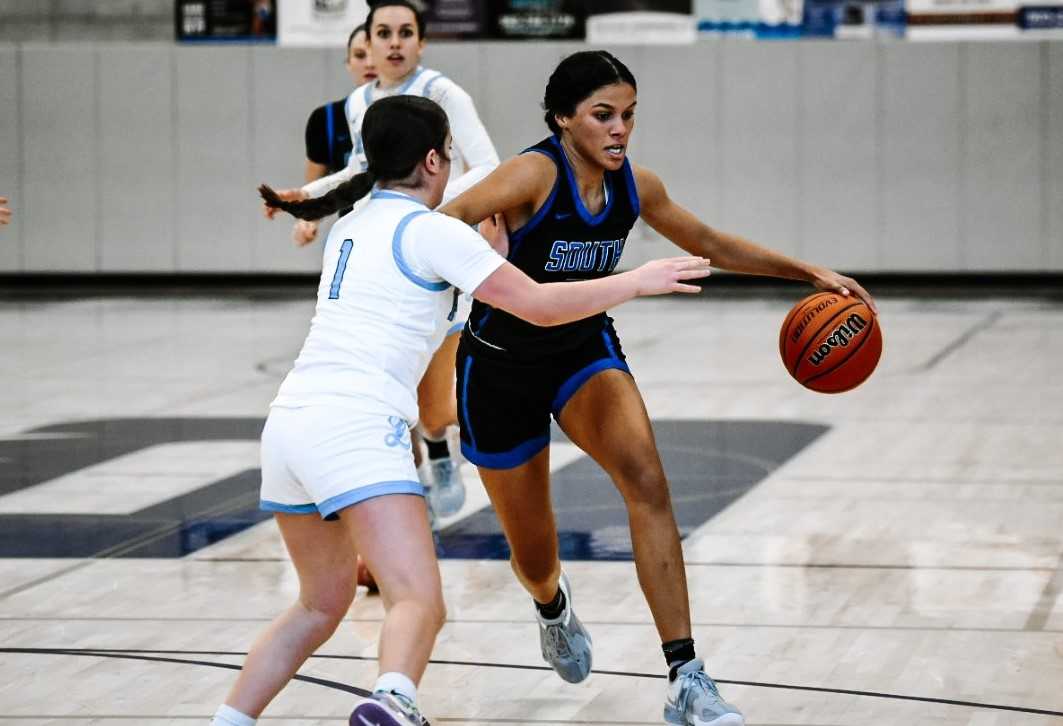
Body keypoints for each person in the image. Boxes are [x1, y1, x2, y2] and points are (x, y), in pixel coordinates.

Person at [265, 50, 876, 726]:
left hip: (582, 353)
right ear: (563, 119)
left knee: (647, 482)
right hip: (498, 368)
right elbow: (437, 222)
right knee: (535, 555)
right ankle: (551, 603)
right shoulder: (530, 174)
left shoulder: (633, 186)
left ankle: (686, 677)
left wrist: (807, 272)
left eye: (628, 116)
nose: (619, 130)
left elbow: (707, 241)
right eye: (603, 116)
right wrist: (476, 244)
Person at [220, 94, 712, 726]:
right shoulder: (435, 232)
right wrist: (635, 280)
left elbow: (428, 297)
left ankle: (229, 719)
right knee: (419, 602)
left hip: (288, 427)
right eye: (449, 152)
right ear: (433, 159)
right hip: (355, 428)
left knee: (319, 605)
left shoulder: (349, 227)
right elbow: (536, 305)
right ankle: (394, 701)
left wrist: (492, 258)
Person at [274, 0, 500, 522]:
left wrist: (432, 212)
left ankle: (441, 447)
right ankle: (397, 487)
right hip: (385, 256)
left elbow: (488, 164)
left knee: (437, 405)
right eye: (383, 33)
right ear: (368, 45)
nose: (394, 42)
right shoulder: (359, 103)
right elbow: (359, 170)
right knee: (390, 384)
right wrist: (304, 198)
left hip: (437, 250)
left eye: (405, 32)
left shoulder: (443, 93)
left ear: (421, 42)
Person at [294, 23, 376, 246]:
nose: (369, 63)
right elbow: (316, 186)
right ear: (348, 64)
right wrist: (308, 218)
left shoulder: (419, 113)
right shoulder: (326, 119)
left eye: (375, 53)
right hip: (353, 235)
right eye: (359, 55)